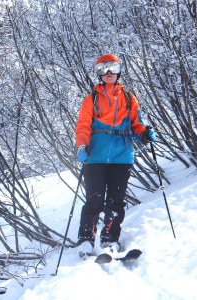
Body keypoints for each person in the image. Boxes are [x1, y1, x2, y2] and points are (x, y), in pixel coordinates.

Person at [75, 54, 155, 253]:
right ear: (98, 74)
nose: (109, 73)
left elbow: (137, 123)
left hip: (122, 156)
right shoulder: (91, 99)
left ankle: (110, 240)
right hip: (95, 156)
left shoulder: (128, 98)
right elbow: (83, 125)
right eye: (103, 69)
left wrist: (144, 133)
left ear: (119, 70)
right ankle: (86, 240)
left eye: (112, 68)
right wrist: (82, 146)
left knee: (116, 200)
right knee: (94, 199)